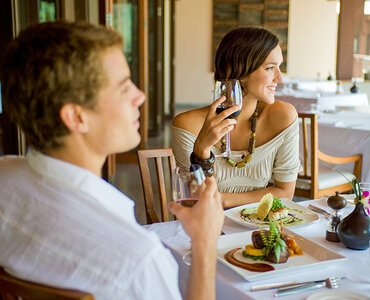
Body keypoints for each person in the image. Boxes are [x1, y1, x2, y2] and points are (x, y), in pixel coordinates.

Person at [0, 21, 224, 300]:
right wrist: (204, 242)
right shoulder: (136, 260)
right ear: (76, 117)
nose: (140, 96)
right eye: (122, 87)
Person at [172, 26, 302, 209]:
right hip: (207, 228)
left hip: (260, 229)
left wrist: (222, 200)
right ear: (240, 71)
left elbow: (285, 193)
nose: (280, 78)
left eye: (279, 67)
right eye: (270, 68)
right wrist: (201, 150)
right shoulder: (188, 125)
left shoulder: (284, 117)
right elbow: (193, 200)